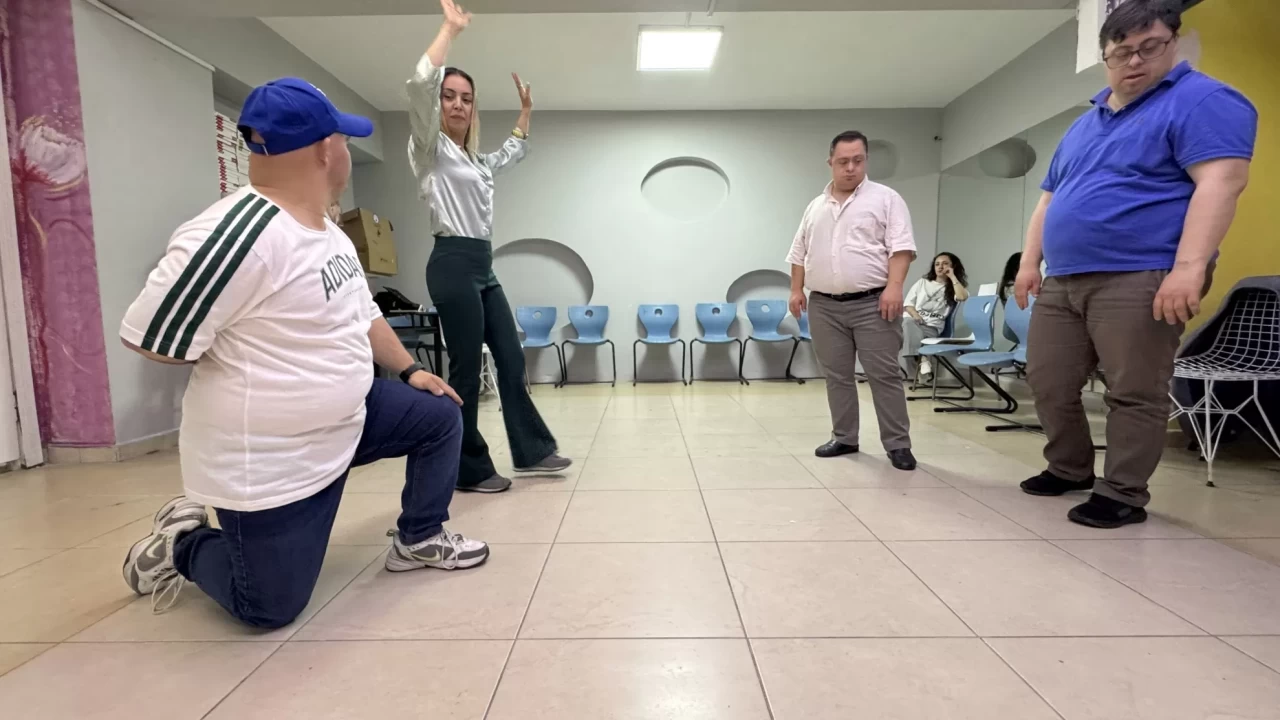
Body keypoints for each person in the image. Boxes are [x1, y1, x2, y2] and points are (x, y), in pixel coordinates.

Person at [119, 76, 490, 628]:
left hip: (350, 419)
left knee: (440, 414)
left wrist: (411, 369)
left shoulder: (329, 233)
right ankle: (183, 543)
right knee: (269, 606)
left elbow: (365, 313)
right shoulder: (234, 235)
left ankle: (418, 537)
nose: (346, 151)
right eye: (344, 140)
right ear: (324, 150)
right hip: (274, 461)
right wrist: (271, 369)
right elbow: (149, 339)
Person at [1014, 0, 1256, 528]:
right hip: (1064, 277)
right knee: (1048, 379)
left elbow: (1220, 184)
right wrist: (1029, 262)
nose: (1135, 61)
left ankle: (1122, 491)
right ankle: (1069, 467)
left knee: (1133, 389)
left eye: (1150, 48)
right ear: (1106, 57)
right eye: (1121, 53)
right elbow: (1049, 200)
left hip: (1141, 271)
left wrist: (1189, 268)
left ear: (1173, 43)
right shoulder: (1085, 124)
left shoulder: (1203, 100)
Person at [406, 0, 568, 493]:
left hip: (482, 265)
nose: (458, 104)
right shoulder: (429, 148)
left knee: (511, 358)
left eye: (466, 98)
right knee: (465, 369)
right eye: (449, 96)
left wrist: (525, 113)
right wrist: (449, 30)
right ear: (438, 104)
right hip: (451, 263)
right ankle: (466, 469)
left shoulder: (473, 161)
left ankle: (532, 450)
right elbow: (419, 83)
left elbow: (509, 154)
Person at [788, 130, 919, 471]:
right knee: (837, 376)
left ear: (866, 160)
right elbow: (799, 253)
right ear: (830, 162)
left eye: (857, 161)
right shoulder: (815, 207)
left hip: (873, 303)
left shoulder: (886, 199)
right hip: (824, 305)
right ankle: (845, 436)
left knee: (884, 374)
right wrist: (796, 290)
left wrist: (894, 287)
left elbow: (901, 248)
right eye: (843, 161)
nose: (850, 168)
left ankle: (898, 444)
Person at [901, 252, 969, 381]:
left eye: (945, 264)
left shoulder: (954, 287)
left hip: (931, 327)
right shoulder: (922, 282)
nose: (940, 267)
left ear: (953, 266)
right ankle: (923, 359)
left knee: (909, 334)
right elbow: (908, 305)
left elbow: (962, 297)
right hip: (912, 321)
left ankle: (919, 367)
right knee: (908, 323)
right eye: (937, 264)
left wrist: (952, 277)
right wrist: (916, 315)